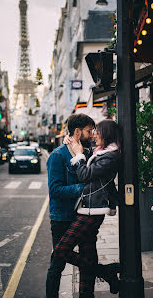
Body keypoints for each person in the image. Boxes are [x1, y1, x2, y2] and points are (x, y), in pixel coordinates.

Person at [52, 119, 121, 296]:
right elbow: (87, 154)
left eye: (97, 131)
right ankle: (89, 291)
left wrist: (77, 155)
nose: (94, 135)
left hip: (93, 211)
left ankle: (106, 271)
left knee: (60, 251)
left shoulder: (110, 156)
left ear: (107, 134)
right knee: (88, 253)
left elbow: (84, 174)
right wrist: (73, 142)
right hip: (88, 208)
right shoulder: (101, 152)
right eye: (92, 131)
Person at [46, 114, 95, 298]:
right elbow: (55, 191)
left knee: (88, 258)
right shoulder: (58, 156)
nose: (92, 135)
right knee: (57, 263)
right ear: (77, 132)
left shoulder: (87, 153)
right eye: (89, 131)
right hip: (62, 218)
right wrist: (83, 188)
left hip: (83, 216)